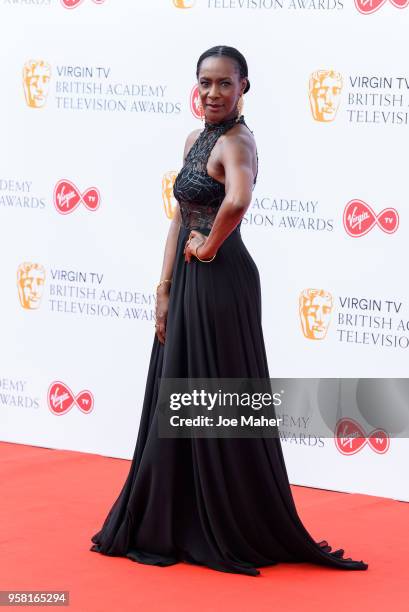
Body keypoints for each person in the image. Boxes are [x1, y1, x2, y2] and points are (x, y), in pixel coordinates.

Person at [90, 45, 368, 576]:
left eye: (224, 83)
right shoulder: (197, 139)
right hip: (191, 279)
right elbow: (179, 216)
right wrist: (165, 284)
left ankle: (223, 515)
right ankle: (181, 512)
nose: (213, 93)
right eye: (205, 83)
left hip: (223, 283)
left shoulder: (239, 142)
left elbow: (237, 200)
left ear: (245, 88)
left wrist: (211, 246)